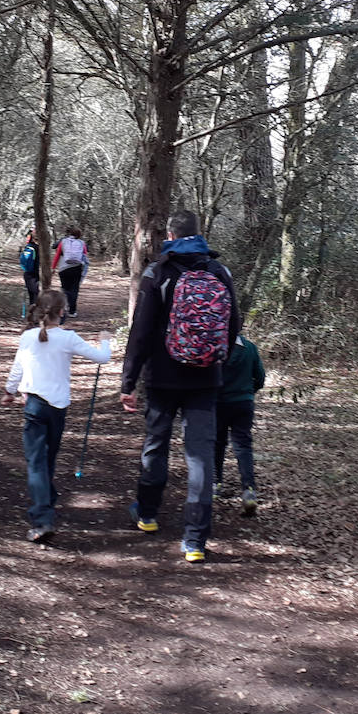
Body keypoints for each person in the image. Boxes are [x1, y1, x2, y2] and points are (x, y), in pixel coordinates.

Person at [119, 209, 240, 563]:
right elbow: (234, 325)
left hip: (162, 378)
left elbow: (140, 332)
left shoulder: (157, 272)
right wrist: (218, 360)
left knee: (156, 443)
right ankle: (195, 541)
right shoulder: (219, 272)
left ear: (170, 234)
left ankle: (148, 515)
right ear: (200, 233)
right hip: (205, 379)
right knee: (200, 455)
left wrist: (129, 381)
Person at [2, 289, 113, 543]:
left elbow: (17, 368)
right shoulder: (68, 338)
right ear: (62, 312)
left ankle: (43, 518)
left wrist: (9, 392)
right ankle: (46, 505)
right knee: (47, 459)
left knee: (37, 463)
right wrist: (105, 339)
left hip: (34, 406)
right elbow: (103, 358)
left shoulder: (29, 336)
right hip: (57, 408)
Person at [214, 334, 266, 516]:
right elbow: (260, 377)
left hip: (219, 404)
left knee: (217, 444)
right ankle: (249, 490)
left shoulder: (214, 345)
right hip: (244, 403)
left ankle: (215, 484)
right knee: (243, 446)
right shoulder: (249, 347)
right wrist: (249, 392)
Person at [52, 226, 89, 318]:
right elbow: (84, 255)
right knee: (74, 289)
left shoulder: (63, 241)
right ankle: (72, 311)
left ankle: (64, 308)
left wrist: (53, 267)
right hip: (77, 268)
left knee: (65, 289)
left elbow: (57, 255)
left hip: (63, 269)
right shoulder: (82, 243)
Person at [18, 230, 40, 306]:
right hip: (34, 273)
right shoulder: (37, 248)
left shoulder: (28, 246)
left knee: (31, 294)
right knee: (35, 294)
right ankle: (35, 312)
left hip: (27, 272)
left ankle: (32, 311)